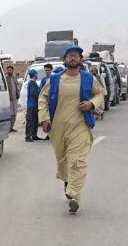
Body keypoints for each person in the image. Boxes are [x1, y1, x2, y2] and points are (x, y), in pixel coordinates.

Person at [38, 44, 105, 213]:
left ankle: (74, 194)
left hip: (80, 125)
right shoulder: (55, 79)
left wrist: (91, 103)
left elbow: (100, 94)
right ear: (64, 60)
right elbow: (42, 98)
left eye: (76, 55)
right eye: (70, 55)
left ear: (81, 59)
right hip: (58, 127)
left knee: (78, 160)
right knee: (63, 160)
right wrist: (44, 117)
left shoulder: (88, 78)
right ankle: (68, 182)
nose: (73, 58)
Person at [24, 70, 41, 142]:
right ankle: (28, 136)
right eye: (37, 74)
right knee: (30, 120)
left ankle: (34, 135)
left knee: (35, 120)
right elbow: (33, 93)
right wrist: (40, 97)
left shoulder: (33, 82)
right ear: (34, 75)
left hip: (34, 104)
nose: (38, 75)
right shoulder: (32, 83)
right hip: (32, 105)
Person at [5, 64, 20, 132]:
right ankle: (8, 128)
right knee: (10, 114)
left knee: (14, 114)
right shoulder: (5, 78)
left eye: (10, 70)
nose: (9, 71)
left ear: (12, 71)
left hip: (15, 99)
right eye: (8, 70)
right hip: (9, 99)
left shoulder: (14, 78)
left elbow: (17, 87)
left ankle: (11, 127)